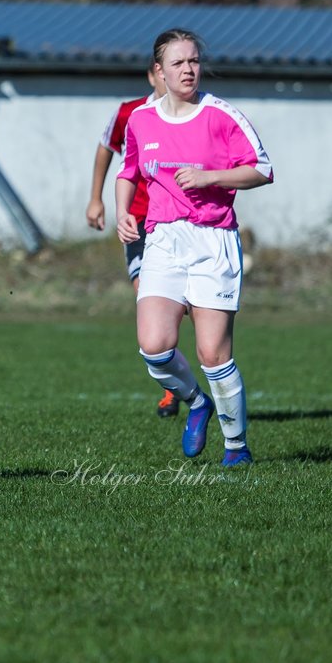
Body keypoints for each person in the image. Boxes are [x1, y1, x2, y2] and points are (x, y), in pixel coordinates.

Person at [115, 29, 273, 467]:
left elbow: (261, 168)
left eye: (194, 61)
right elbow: (128, 171)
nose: (188, 69)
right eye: (179, 62)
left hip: (213, 240)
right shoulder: (141, 120)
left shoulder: (221, 115)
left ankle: (236, 448)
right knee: (154, 345)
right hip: (162, 239)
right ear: (159, 71)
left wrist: (210, 177)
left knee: (212, 353)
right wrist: (123, 212)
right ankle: (196, 402)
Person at [85, 61, 179, 418]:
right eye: (167, 69)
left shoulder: (191, 115)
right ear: (154, 75)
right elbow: (105, 148)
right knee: (148, 297)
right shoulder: (130, 113)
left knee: (182, 307)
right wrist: (97, 198)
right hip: (139, 220)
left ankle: (187, 378)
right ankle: (172, 387)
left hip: (180, 221)